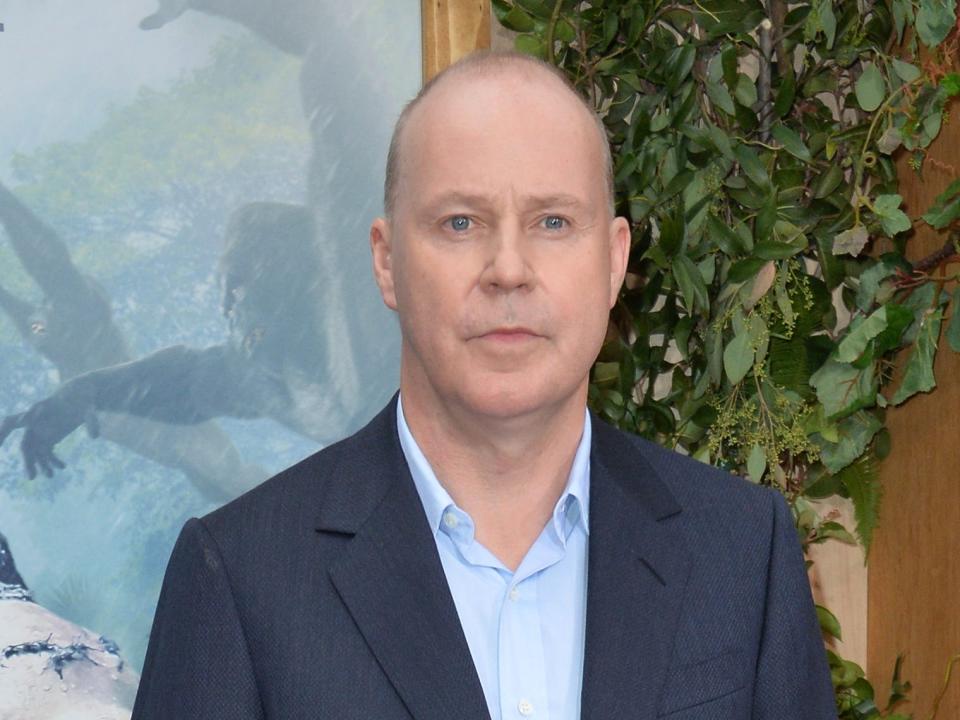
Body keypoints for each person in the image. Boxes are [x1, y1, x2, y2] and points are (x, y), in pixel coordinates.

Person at [131, 51, 837, 719]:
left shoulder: (742, 551)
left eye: (553, 222)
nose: (508, 268)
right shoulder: (239, 575)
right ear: (385, 263)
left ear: (615, 260)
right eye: (460, 222)